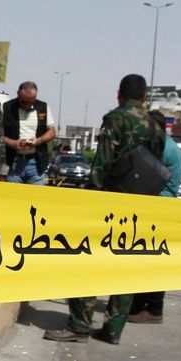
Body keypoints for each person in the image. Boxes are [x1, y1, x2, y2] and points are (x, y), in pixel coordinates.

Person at [44, 74, 166, 345]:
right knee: (125, 265)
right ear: (144, 97)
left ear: (119, 93)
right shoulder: (155, 126)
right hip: (140, 206)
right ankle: (113, 329)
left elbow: (102, 162)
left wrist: (92, 200)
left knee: (87, 260)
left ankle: (79, 325)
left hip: (110, 203)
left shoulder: (115, 119)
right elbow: (157, 167)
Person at [129, 110, 181, 324]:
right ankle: (143, 306)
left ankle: (152, 309)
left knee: (151, 260)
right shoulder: (173, 147)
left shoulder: (162, 147)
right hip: (164, 206)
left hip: (157, 207)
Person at [3, 81, 57, 185]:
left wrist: (39, 141)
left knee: (36, 195)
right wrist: (13, 143)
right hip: (13, 163)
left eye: (31, 101)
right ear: (18, 94)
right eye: (24, 102)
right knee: (13, 194)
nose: (28, 105)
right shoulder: (7, 108)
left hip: (36, 163)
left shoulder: (43, 107)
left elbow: (52, 131)